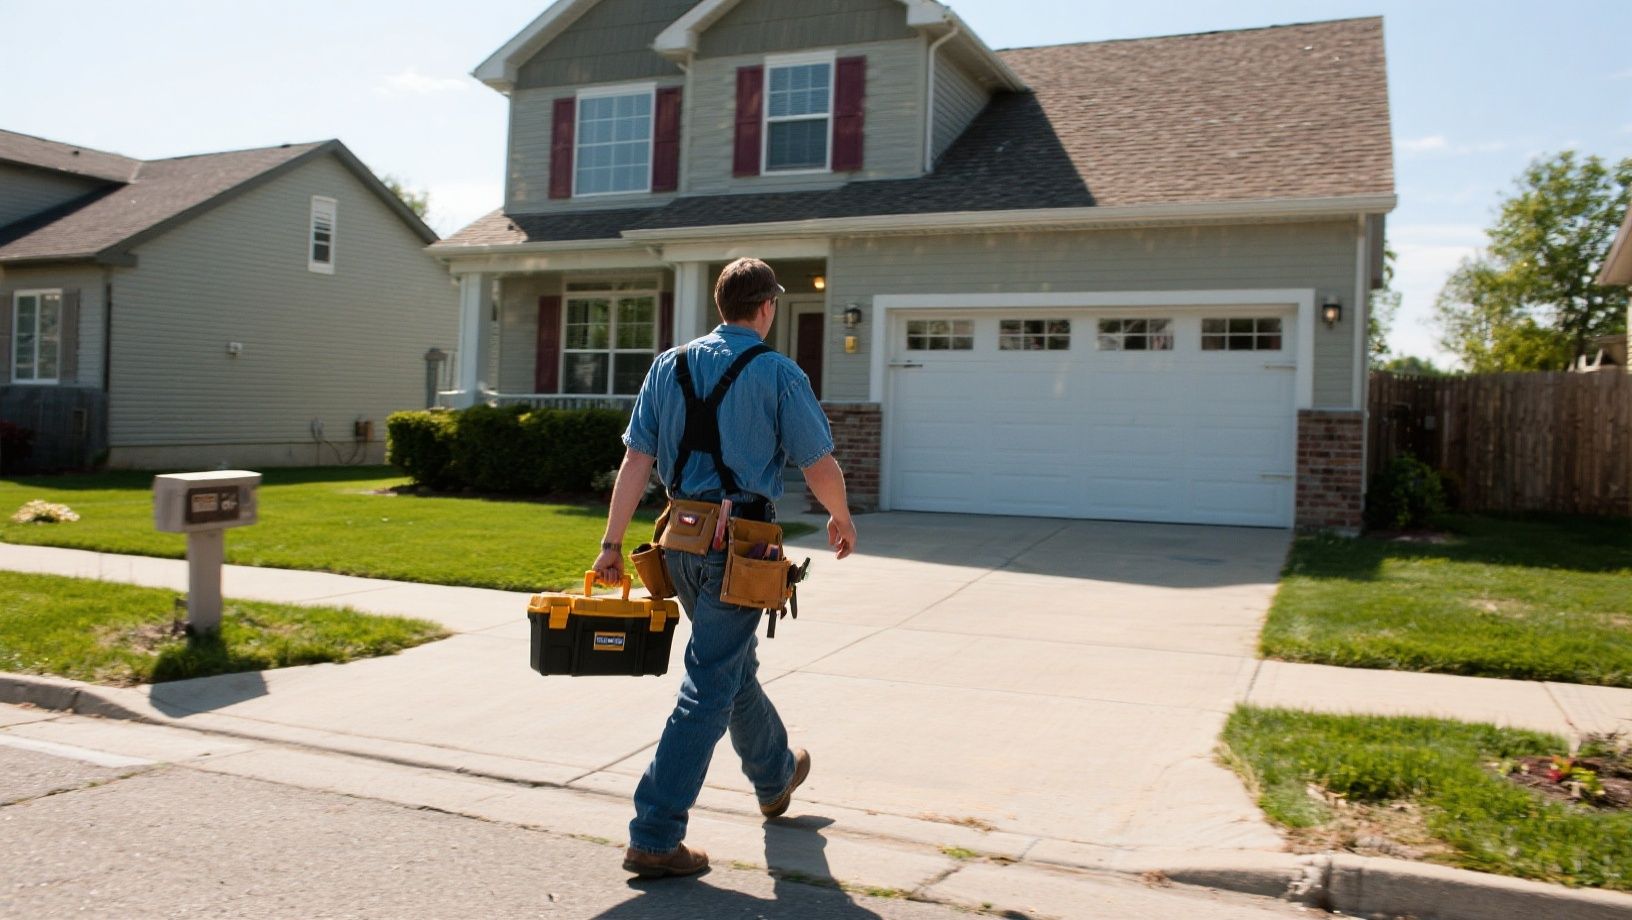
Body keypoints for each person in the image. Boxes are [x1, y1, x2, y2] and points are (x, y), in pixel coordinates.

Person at [591, 257, 858, 879]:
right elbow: (816, 461)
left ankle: (775, 773)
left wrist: (609, 544)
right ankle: (654, 834)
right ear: (766, 307)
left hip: (677, 543)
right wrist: (841, 515)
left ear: (720, 306)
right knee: (706, 687)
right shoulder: (777, 372)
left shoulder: (668, 365)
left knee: (729, 665)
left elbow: (636, 461)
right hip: (738, 550)